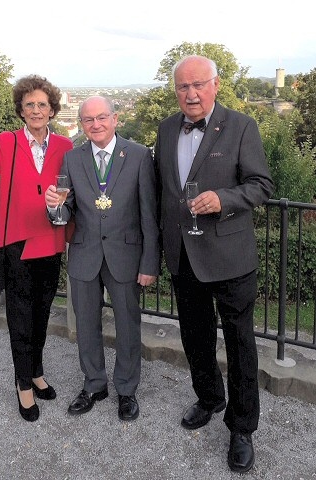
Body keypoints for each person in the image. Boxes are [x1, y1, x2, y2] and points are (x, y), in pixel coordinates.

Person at [154, 55, 274, 473]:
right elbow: (163, 192)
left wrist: (225, 200)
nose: (190, 93)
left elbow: (261, 185)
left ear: (216, 85)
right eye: (183, 87)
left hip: (230, 258)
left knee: (241, 346)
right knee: (195, 338)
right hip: (184, 256)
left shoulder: (241, 126)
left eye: (198, 85)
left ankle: (242, 428)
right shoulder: (167, 128)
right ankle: (209, 398)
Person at [0, 75, 73, 422]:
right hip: (17, 244)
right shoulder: (7, 143)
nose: (37, 110)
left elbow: (73, 189)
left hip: (51, 242)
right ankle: (23, 383)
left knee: (40, 316)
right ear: (21, 111)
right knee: (20, 320)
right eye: (30, 105)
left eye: (42, 104)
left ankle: (36, 371)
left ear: (52, 110)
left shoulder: (65, 147)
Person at [45, 96, 159, 421]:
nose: (96, 125)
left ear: (115, 118)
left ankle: (126, 389)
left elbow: (149, 214)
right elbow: (66, 210)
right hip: (85, 253)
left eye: (102, 117)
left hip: (125, 254)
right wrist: (55, 205)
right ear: (82, 124)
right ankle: (94, 384)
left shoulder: (138, 155)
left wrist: (150, 263)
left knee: (127, 324)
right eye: (88, 120)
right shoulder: (72, 158)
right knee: (86, 324)